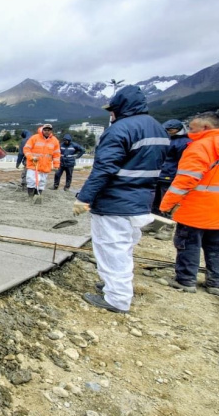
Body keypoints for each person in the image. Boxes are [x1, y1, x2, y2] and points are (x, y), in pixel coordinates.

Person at [73, 85, 168, 313]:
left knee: (111, 248)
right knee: (124, 247)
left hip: (115, 201)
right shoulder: (158, 129)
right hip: (140, 200)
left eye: (112, 110)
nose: (111, 114)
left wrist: (84, 198)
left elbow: (104, 168)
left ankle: (117, 298)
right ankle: (114, 285)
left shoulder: (120, 130)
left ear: (120, 108)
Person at [160, 112, 219, 295]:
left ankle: (186, 280)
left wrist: (166, 204)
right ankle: (215, 283)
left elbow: (186, 179)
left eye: (192, 128)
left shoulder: (201, 146)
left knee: (188, 244)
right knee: (216, 246)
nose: (189, 132)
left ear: (206, 127)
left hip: (196, 208)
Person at [152, 119, 191, 216]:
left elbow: (182, 161)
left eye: (170, 129)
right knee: (154, 199)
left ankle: (166, 217)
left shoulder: (184, 143)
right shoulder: (167, 139)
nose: (167, 131)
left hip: (170, 175)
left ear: (177, 129)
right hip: (160, 174)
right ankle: (155, 217)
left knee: (166, 199)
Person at [22, 124, 60, 204]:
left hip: (45, 165)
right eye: (45, 130)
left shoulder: (55, 141)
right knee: (31, 180)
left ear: (51, 131)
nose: (47, 131)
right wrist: (31, 157)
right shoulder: (34, 138)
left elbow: (56, 154)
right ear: (42, 130)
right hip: (33, 164)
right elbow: (26, 149)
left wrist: (56, 165)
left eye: (49, 130)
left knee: (42, 182)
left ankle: (37, 195)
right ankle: (30, 196)